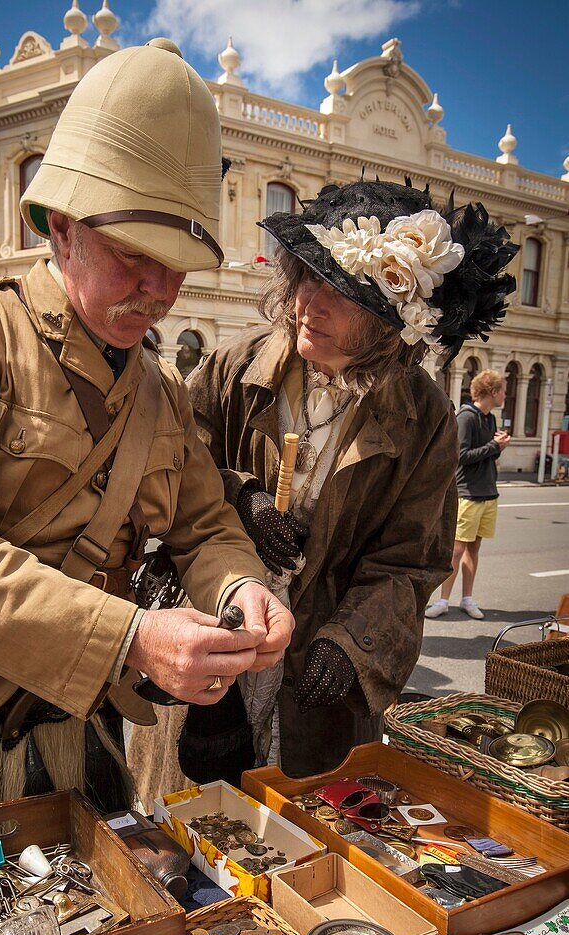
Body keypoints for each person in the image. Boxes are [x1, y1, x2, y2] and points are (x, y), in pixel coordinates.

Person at [0, 40, 293, 867]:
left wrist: (241, 588)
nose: (157, 290)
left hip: (77, 734)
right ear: (62, 227)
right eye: (133, 257)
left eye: (177, 268)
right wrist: (130, 639)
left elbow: (205, 523)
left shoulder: (159, 389)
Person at [185, 179, 517, 777]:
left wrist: (350, 644)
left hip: (318, 658)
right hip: (218, 629)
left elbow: (409, 563)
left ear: (391, 320)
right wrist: (242, 499)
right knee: (202, 800)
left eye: (341, 292)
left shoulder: (424, 418)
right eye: (307, 278)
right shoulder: (235, 366)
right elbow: (176, 467)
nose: (312, 303)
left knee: (304, 818)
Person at [425, 369, 510, 620]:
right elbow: (460, 457)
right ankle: (442, 601)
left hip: (487, 491)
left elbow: (487, 456)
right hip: (468, 492)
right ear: (493, 392)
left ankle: (467, 599)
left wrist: (498, 447)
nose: (505, 395)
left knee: (474, 548)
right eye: (503, 390)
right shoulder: (466, 417)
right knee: (456, 549)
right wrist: (494, 446)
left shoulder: (490, 418)